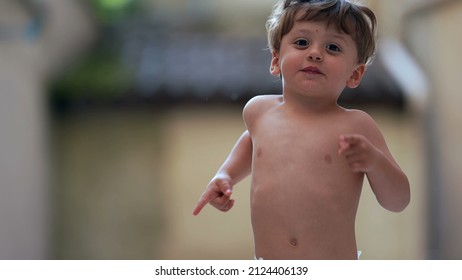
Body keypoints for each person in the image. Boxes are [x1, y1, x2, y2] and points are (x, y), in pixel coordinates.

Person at [193, 0, 410, 260]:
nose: (315, 53)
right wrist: (226, 174)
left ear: (355, 74)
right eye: (302, 43)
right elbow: (253, 142)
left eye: (333, 47)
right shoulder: (259, 112)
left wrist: (374, 161)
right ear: (276, 60)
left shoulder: (357, 126)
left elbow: (398, 202)